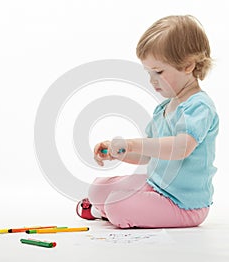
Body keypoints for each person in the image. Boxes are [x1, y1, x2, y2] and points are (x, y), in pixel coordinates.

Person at [76, 15, 219, 228]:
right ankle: (110, 208)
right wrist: (119, 151)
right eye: (148, 72)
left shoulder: (199, 106)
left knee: (117, 204)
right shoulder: (164, 108)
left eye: (159, 71)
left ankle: (113, 211)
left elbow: (181, 148)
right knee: (98, 189)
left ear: (188, 65)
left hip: (183, 204)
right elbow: (147, 155)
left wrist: (131, 143)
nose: (152, 80)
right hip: (156, 187)